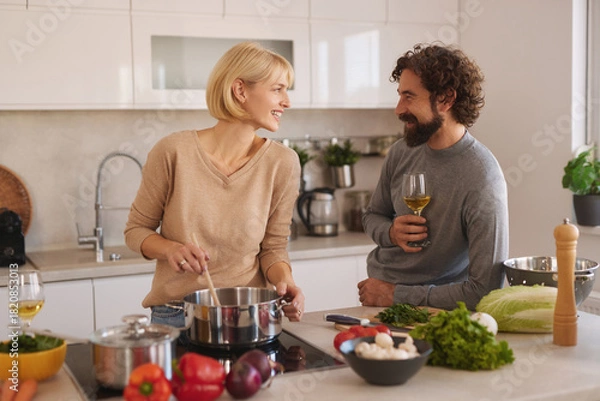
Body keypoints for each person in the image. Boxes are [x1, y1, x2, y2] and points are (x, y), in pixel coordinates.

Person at [124, 42, 305, 335]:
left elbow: (273, 249)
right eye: (278, 89)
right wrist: (171, 249)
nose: (287, 101)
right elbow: (136, 231)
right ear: (240, 90)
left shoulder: (283, 163)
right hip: (175, 318)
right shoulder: (173, 151)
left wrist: (287, 281)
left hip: (248, 318)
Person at [358, 43, 508, 311]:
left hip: (434, 310)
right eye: (399, 96)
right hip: (375, 297)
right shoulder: (401, 151)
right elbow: (372, 216)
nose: (398, 109)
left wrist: (396, 295)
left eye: (409, 97)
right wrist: (391, 233)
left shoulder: (482, 176)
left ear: (446, 99)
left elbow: (486, 290)